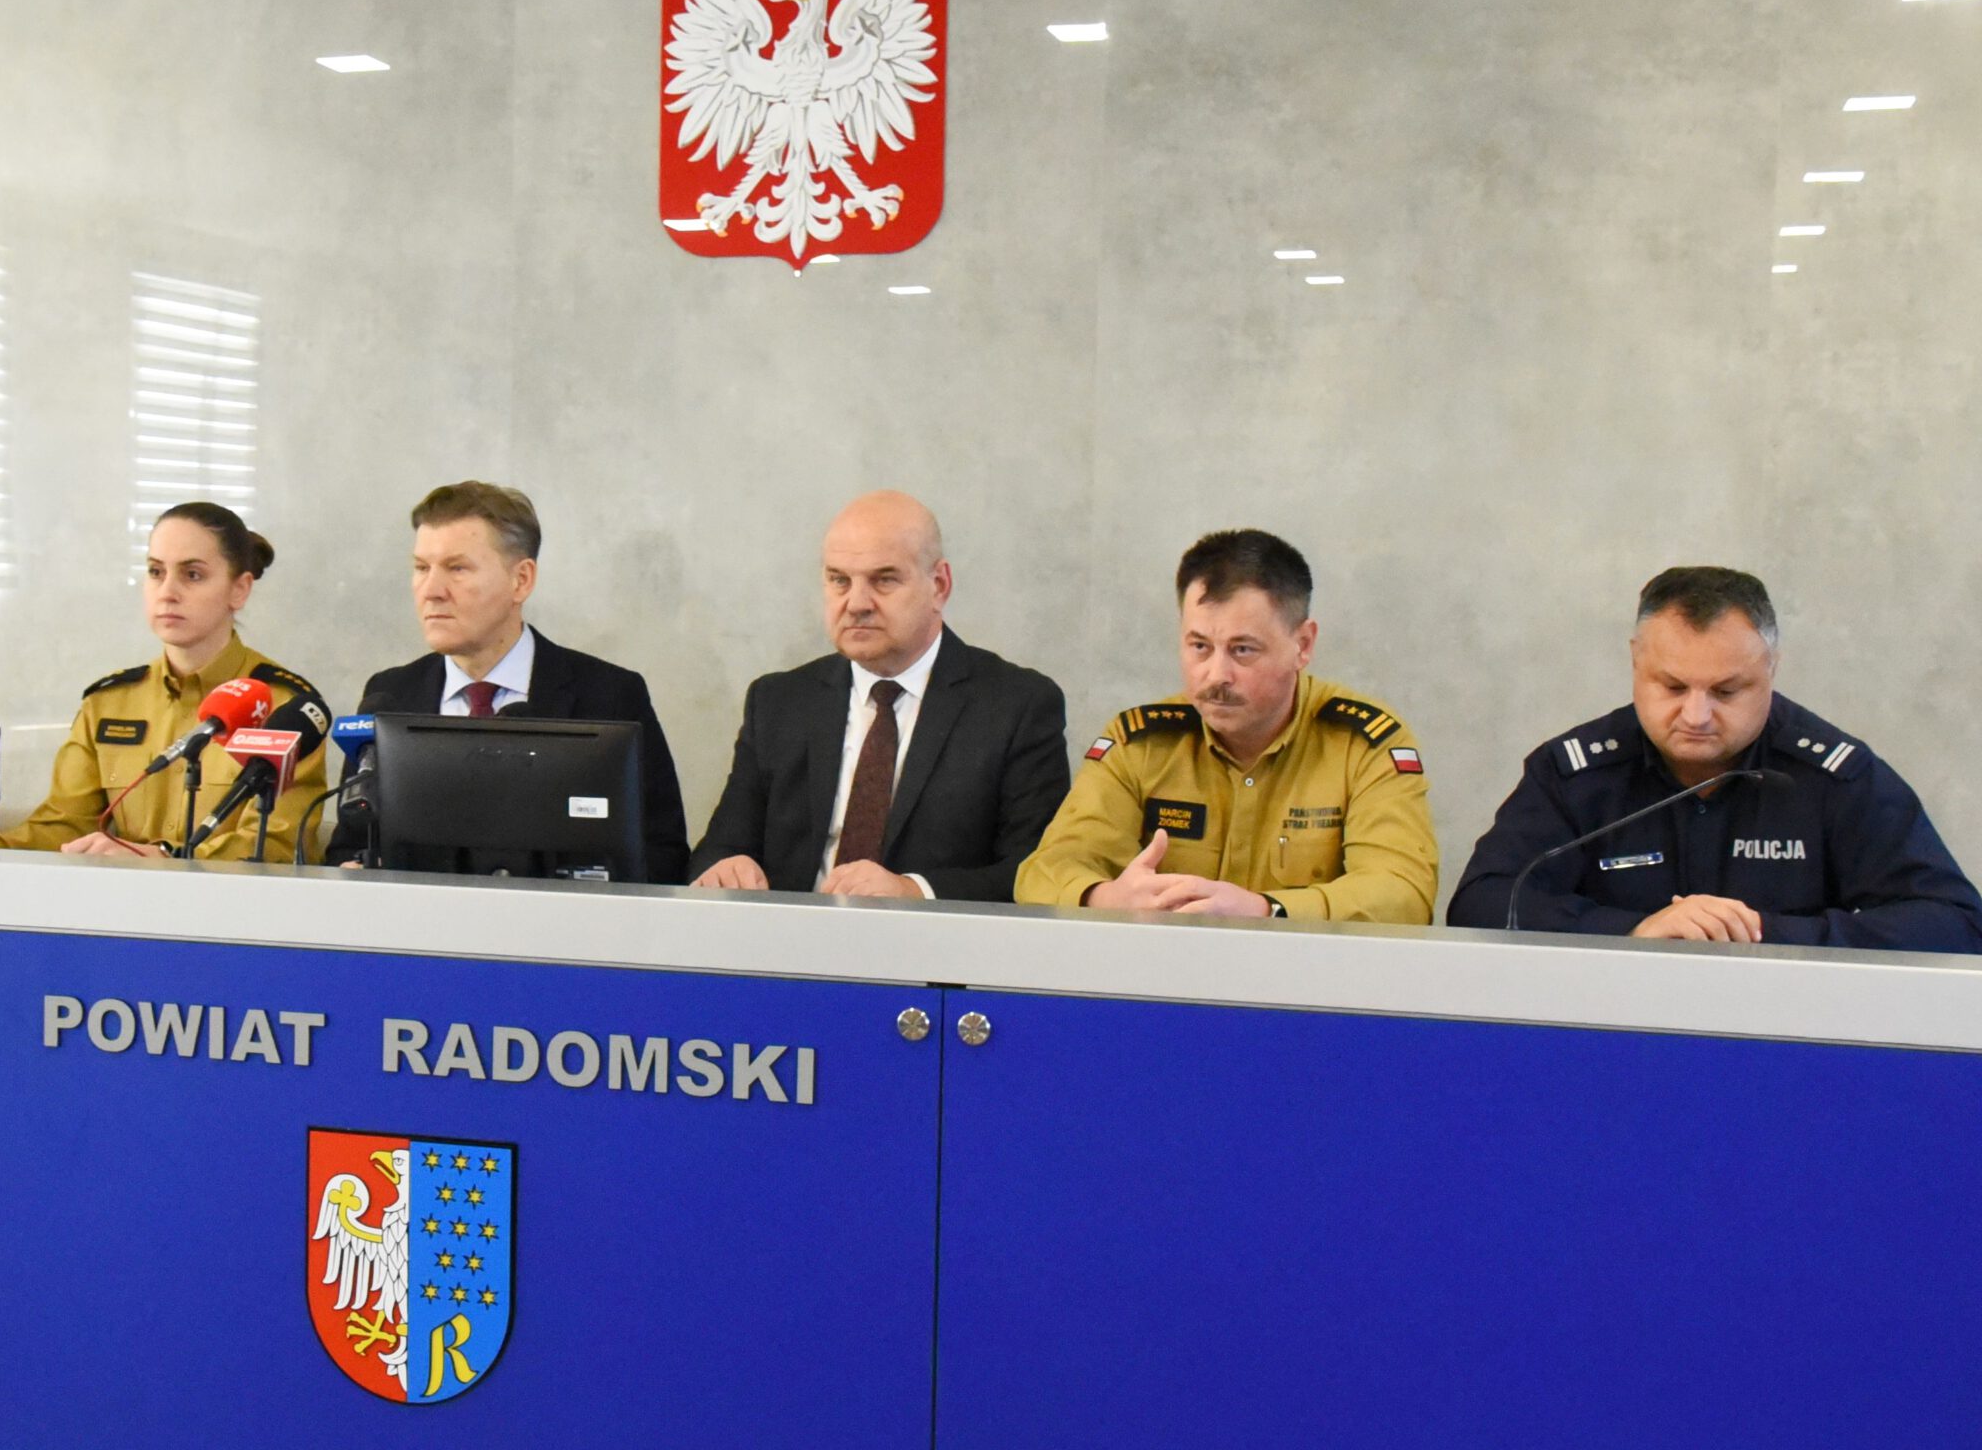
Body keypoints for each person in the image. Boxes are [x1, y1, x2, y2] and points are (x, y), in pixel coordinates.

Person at [1446, 567, 1982, 951]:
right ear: (1635, 661)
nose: (1696, 715)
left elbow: (1955, 924)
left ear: (1771, 669)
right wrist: (1633, 931)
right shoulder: (1576, 773)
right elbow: (1482, 903)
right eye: (1673, 686)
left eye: (1725, 692)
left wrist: (1762, 934)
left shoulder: (1834, 776)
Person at [1013, 529, 1437, 922]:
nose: (1216, 675)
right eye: (1199, 646)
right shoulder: (1141, 744)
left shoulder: (1363, 744)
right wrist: (1106, 898)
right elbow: (1043, 872)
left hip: (1310, 975)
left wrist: (1266, 911)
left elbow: (1404, 894)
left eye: (1242, 650)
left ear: (1303, 645)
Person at [688, 491, 1070, 900]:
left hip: (934, 938)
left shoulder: (1017, 706)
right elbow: (718, 847)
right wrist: (725, 867)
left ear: (939, 586)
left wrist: (913, 891)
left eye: (884, 580)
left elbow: (1036, 872)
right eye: (839, 580)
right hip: (790, 935)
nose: (856, 603)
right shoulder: (779, 701)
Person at [0, 502, 327, 861]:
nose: (168, 591)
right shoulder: (109, 703)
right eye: (156, 571)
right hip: (117, 917)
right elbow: (63, 829)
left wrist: (163, 859)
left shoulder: (284, 706)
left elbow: (277, 845)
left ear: (239, 590)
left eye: (193, 575)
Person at [325, 481, 689, 882]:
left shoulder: (609, 695)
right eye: (421, 568)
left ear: (521, 580)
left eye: (457, 568)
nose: (431, 591)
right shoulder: (390, 695)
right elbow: (350, 844)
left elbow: (663, 856)